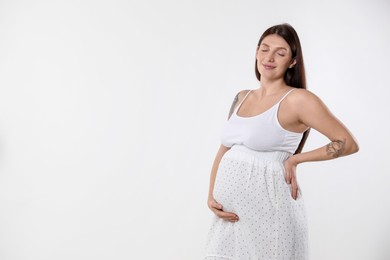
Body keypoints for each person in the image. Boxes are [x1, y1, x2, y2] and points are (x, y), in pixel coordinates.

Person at [203, 23, 359, 260]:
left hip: (270, 212)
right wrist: (211, 195)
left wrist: (296, 159)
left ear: (292, 61)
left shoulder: (298, 100)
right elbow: (225, 148)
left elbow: (347, 142)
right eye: (264, 49)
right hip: (230, 215)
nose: (269, 57)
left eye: (280, 52)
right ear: (256, 52)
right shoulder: (241, 97)